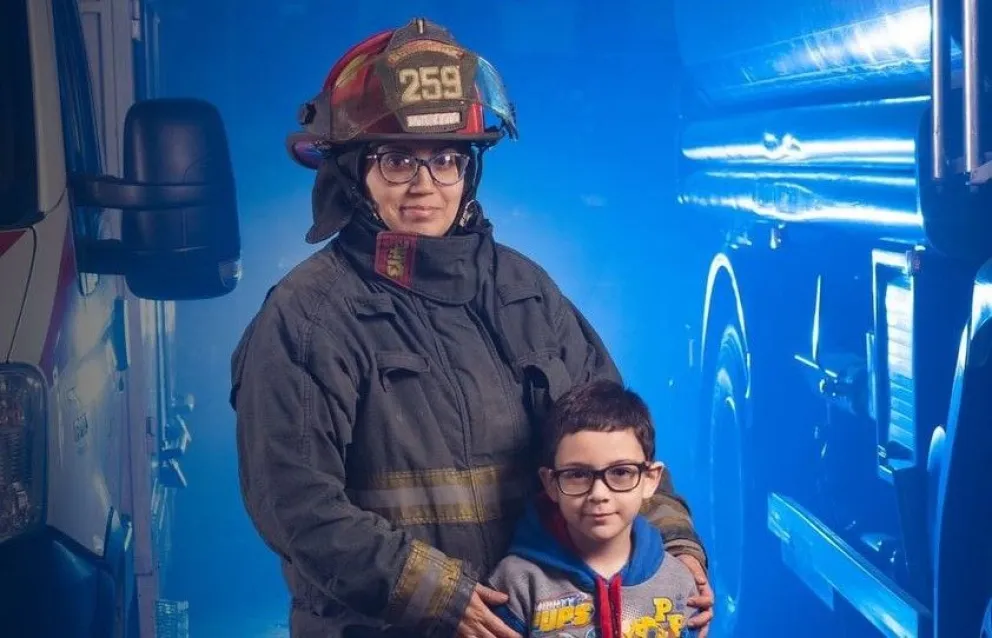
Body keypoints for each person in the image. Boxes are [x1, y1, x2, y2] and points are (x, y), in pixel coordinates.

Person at [230, 16, 714, 638]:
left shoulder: (526, 293)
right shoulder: (309, 316)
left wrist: (675, 545)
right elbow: (294, 503)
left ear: (470, 169)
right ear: (354, 172)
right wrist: (435, 594)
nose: (424, 185)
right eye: (397, 160)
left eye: (445, 160)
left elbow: (613, 441)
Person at [488, 379, 699, 638]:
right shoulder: (518, 582)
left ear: (651, 479)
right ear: (551, 483)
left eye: (621, 472)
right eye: (577, 474)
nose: (598, 494)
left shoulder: (678, 581)